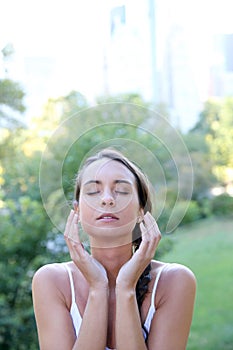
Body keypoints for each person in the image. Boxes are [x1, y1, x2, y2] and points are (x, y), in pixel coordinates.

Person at [32, 148, 196, 350]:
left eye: (122, 191)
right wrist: (97, 287)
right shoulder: (51, 281)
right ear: (77, 211)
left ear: (140, 211)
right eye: (93, 191)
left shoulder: (174, 280)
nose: (107, 199)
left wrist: (126, 287)